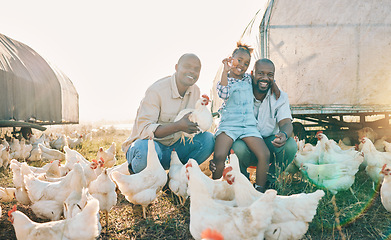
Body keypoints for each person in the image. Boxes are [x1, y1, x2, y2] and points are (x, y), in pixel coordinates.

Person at [121, 53, 215, 173]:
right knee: (145, 150)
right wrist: (178, 126)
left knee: (208, 140)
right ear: (176, 67)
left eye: (196, 69)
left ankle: (175, 178)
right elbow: (145, 131)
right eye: (187, 66)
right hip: (148, 146)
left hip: (174, 148)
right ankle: (137, 175)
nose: (192, 71)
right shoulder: (156, 91)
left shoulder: (195, 91)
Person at [209, 43, 279, 192]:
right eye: (239, 60)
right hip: (229, 125)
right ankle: (216, 190)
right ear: (231, 59)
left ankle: (259, 190)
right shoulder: (225, 79)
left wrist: (275, 88)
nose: (242, 65)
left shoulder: (248, 78)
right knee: (220, 155)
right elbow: (224, 94)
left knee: (264, 154)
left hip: (248, 125)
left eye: (246, 63)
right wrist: (224, 71)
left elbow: (264, 80)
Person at [232, 58, 298, 190]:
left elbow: (286, 122)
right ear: (252, 73)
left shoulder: (280, 97)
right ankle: (243, 184)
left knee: (290, 145)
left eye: (270, 75)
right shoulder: (242, 92)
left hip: (269, 145)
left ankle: (269, 181)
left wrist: (284, 134)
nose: (265, 78)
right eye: (260, 73)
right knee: (237, 147)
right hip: (245, 146)